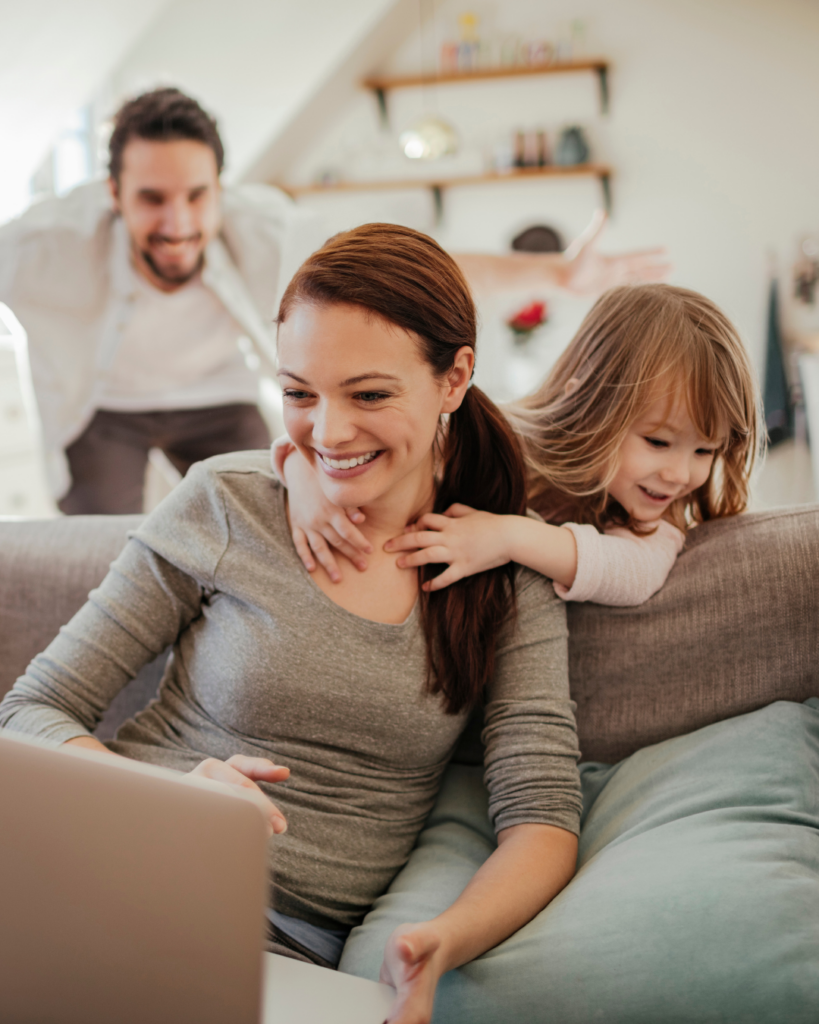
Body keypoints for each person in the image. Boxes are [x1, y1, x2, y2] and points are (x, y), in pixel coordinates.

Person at [0, 224, 583, 1024]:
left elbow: (541, 819)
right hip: (98, 870)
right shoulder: (228, 502)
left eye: (369, 394)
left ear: (454, 379)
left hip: (277, 943)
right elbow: (31, 710)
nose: (329, 433)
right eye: (300, 393)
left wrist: (443, 939)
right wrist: (167, 794)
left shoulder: (504, 572)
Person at [0, 87, 669, 515]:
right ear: (113, 194)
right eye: (152, 199)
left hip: (218, 393)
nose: (178, 222)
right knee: (102, 543)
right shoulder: (44, 245)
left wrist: (554, 274)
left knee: (275, 513)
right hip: (104, 408)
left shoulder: (263, 229)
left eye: (197, 196)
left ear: (220, 188)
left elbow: (409, 264)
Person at [274, 283, 759, 606]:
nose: (680, 473)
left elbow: (635, 572)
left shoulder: (659, 518)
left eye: (705, 451)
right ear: (586, 406)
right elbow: (336, 441)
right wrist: (306, 480)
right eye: (658, 442)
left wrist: (507, 537)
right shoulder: (498, 437)